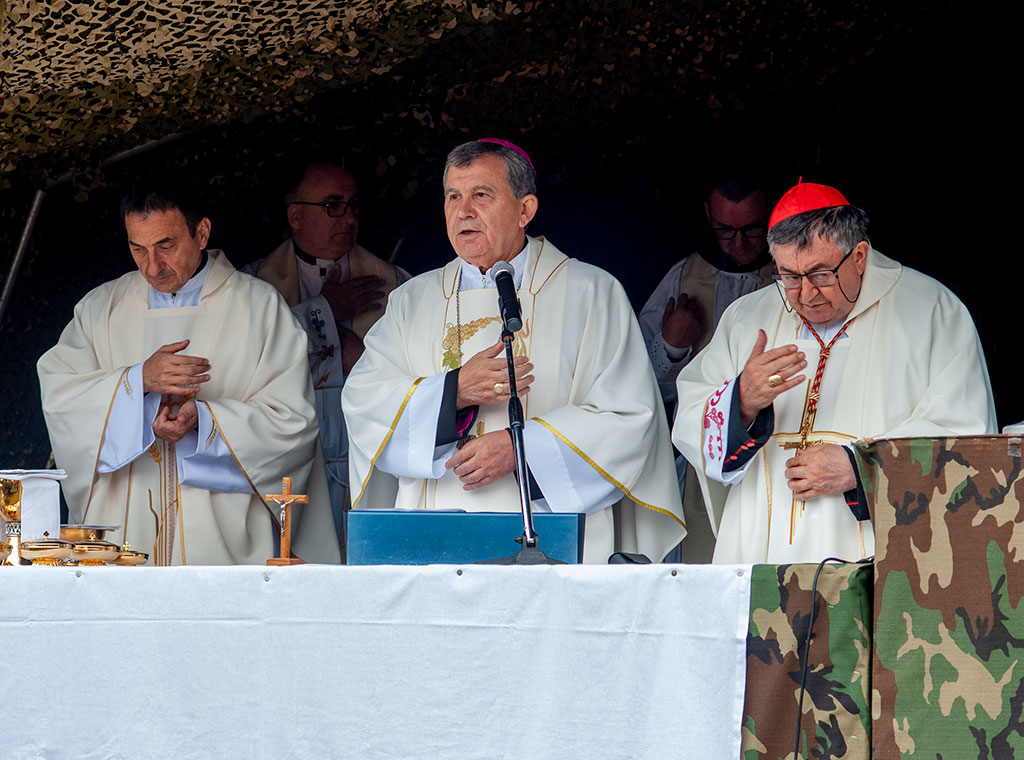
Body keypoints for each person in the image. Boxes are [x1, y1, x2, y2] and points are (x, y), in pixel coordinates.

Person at [342, 139, 685, 563]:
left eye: (480, 195)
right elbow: (363, 403)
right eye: (453, 196)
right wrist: (454, 392)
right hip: (436, 538)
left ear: (526, 210)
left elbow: (630, 421)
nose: (463, 210)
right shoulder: (413, 301)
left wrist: (522, 450)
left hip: (551, 534)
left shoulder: (591, 293)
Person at [672, 180, 997, 564]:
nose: (806, 294)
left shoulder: (931, 313)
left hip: (879, 556)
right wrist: (740, 401)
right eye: (789, 277)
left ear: (859, 256)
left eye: (820, 274)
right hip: (760, 545)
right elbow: (691, 417)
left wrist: (863, 466)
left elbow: (965, 436)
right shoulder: (747, 318)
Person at [37, 186, 340, 565]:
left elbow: (295, 426)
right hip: (124, 540)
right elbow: (62, 402)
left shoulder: (258, 308)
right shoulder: (100, 310)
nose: (152, 266)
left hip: (223, 542)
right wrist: (137, 383)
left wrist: (206, 422)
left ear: (201, 233)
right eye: (137, 249)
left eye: (165, 246)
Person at [245, 162, 410, 538]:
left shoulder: (398, 284)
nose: (348, 217)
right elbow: (248, 358)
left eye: (353, 205)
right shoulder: (252, 287)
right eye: (334, 205)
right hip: (293, 459)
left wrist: (364, 360)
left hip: (368, 455)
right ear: (296, 216)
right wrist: (323, 311)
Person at [638, 170, 774, 562]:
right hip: (703, 462)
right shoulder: (685, 277)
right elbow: (637, 388)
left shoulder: (794, 279)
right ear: (706, 216)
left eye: (752, 229)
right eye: (725, 230)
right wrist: (672, 346)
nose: (739, 243)